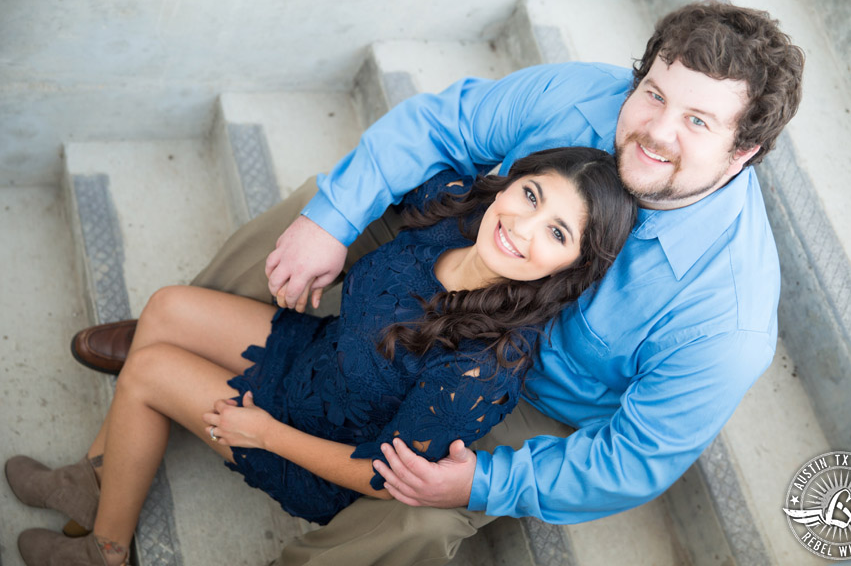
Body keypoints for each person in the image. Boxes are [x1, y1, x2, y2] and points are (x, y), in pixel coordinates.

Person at [66, 0, 804, 565]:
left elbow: (635, 461)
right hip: (473, 251)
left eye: (698, 122)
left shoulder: (726, 317)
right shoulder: (584, 95)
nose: (653, 129)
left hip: (533, 388)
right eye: (653, 93)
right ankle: (190, 333)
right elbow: (440, 126)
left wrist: (485, 486)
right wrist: (334, 219)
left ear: (744, 150)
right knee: (328, 206)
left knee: (419, 511)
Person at [6, 148, 636, 566]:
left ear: (571, 268)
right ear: (511, 181)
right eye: (531, 195)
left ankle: (105, 550)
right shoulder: (458, 210)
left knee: (148, 369)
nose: (523, 227)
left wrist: (268, 434)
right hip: (316, 358)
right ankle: (93, 480)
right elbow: (388, 165)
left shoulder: (484, 364)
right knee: (169, 307)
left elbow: (382, 478)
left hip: (318, 445)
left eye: (557, 232)